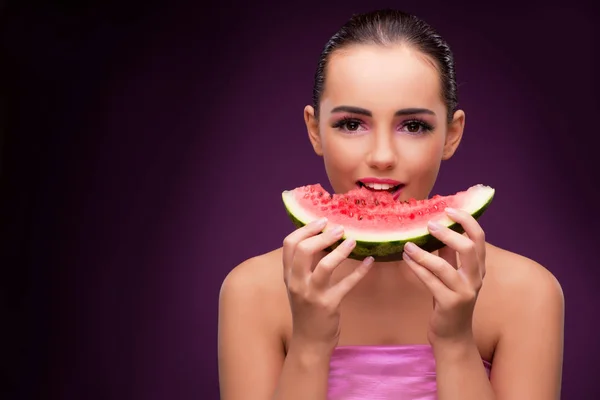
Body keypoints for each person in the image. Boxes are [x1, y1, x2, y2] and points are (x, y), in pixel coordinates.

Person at [217, 9, 564, 400]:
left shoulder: (529, 293)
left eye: (414, 126)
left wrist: (454, 342)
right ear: (315, 130)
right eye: (351, 124)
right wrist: (310, 345)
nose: (382, 156)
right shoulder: (250, 292)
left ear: (451, 135)